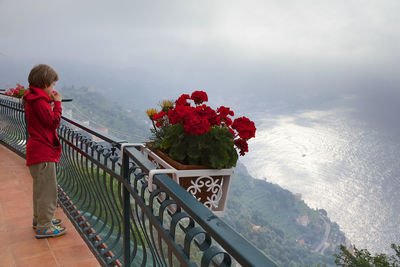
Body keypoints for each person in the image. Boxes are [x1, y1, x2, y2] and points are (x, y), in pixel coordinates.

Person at [24, 64, 67, 238]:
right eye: (52, 85)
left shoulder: (33, 98)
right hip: (43, 151)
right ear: (44, 83)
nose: (53, 88)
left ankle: (40, 219)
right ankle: (45, 226)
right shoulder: (40, 102)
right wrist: (57, 104)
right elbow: (52, 123)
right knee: (48, 192)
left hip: (36, 150)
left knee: (40, 190)